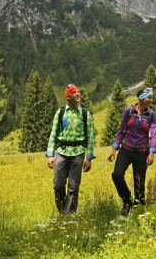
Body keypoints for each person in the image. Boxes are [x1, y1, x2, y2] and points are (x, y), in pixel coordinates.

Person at [107, 87, 156, 215]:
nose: (151, 100)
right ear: (141, 98)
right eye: (149, 97)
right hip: (126, 150)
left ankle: (139, 211)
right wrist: (114, 149)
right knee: (117, 175)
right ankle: (127, 200)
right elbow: (121, 131)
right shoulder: (128, 111)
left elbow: (154, 134)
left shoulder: (151, 115)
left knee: (139, 182)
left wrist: (152, 153)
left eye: (152, 98)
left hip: (142, 152)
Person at [46, 84, 95, 214]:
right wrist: (50, 155)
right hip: (62, 152)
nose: (78, 94)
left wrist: (89, 158)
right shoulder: (61, 112)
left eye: (78, 92)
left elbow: (90, 137)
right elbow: (53, 133)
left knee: (73, 188)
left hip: (78, 153)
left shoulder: (85, 114)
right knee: (58, 185)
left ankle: (70, 217)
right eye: (74, 92)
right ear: (68, 97)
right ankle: (62, 213)